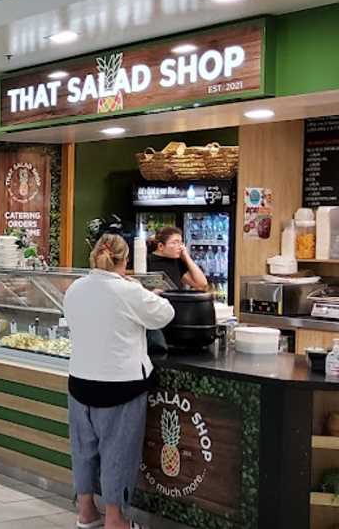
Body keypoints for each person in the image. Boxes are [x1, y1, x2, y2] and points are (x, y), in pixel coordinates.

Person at [64, 233, 175, 529]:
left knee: (83, 450)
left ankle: (86, 512)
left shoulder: (75, 288)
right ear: (125, 260)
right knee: (118, 453)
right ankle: (115, 520)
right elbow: (165, 314)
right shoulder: (128, 291)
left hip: (80, 382)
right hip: (121, 386)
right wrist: (141, 290)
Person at [146, 227, 208, 291]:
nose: (180, 247)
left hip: (175, 300)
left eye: (181, 243)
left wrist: (186, 257)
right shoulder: (146, 261)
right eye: (175, 242)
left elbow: (202, 284)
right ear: (161, 246)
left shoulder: (177, 261)